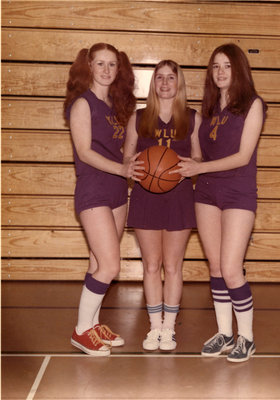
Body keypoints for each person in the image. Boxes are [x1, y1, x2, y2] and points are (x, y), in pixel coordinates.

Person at [173, 43, 267, 362]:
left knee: (230, 268)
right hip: (208, 192)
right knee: (215, 267)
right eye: (215, 66)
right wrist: (187, 163)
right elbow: (202, 154)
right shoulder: (209, 109)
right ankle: (225, 333)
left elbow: (242, 157)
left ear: (239, 69)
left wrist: (199, 168)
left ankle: (247, 337)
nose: (220, 72)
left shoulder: (253, 105)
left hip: (238, 191)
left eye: (226, 66)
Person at [63, 42, 143, 356]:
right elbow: (85, 152)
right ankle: (81, 330)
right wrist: (125, 169)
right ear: (89, 67)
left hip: (116, 192)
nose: (107, 70)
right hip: (93, 188)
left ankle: (93, 325)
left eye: (112, 64)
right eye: (100, 64)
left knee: (97, 262)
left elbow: (120, 151)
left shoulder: (114, 106)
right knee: (110, 265)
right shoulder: (83, 104)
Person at [124, 60, 202, 351]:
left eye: (171, 77)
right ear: (153, 83)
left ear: (179, 83)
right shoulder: (139, 117)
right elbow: (126, 158)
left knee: (173, 265)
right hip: (146, 195)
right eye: (160, 78)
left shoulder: (193, 118)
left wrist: (190, 167)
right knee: (152, 265)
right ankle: (154, 327)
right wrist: (136, 167)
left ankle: (169, 328)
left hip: (179, 196)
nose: (166, 83)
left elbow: (199, 158)